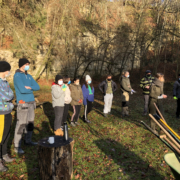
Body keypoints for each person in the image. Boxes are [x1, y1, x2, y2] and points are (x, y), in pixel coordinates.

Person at [13, 58, 40, 154]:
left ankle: (28, 140)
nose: (27, 65)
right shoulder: (17, 76)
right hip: (23, 103)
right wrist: (30, 89)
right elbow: (22, 90)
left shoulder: (29, 76)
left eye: (28, 63)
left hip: (31, 103)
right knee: (21, 124)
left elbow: (38, 87)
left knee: (30, 123)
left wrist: (30, 87)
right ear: (21, 65)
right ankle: (17, 145)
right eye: (26, 64)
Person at [0, 61, 15, 172]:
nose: (9, 72)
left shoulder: (5, 82)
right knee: (0, 137)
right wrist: (9, 95)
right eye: (8, 70)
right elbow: (6, 95)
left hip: (8, 111)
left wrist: (10, 95)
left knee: (6, 135)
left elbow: (11, 94)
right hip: (1, 113)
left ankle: (4, 154)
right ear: (4, 71)